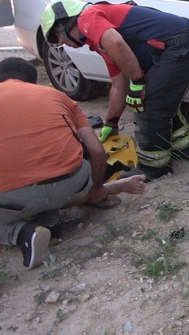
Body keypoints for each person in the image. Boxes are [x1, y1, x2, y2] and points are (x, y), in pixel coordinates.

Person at [40, 0, 189, 180]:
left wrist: (138, 82)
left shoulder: (87, 17)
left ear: (65, 22)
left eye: (58, 35)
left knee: (150, 103)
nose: (62, 42)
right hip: (187, 43)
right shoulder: (100, 43)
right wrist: (111, 123)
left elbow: (117, 43)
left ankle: (154, 168)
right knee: (162, 101)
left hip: (184, 44)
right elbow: (118, 86)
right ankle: (187, 148)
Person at [0, 57, 146, 270]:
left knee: (20, 198)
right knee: (51, 187)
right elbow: (97, 151)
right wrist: (96, 189)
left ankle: (23, 233)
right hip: (71, 184)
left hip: (16, 195)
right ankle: (50, 217)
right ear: (32, 82)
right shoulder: (57, 96)